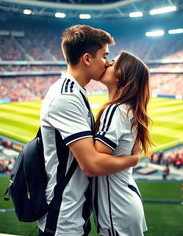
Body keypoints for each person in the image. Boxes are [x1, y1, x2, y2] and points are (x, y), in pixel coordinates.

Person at [38, 25, 141, 236]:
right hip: (63, 219)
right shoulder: (66, 97)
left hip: (76, 215)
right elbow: (92, 165)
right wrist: (133, 159)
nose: (107, 62)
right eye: (104, 56)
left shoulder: (77, 92)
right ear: (87, 59)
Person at [92, 51, 152, 236]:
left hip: (117, 209)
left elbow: (96, 161)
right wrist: (133, 159)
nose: (107, 64)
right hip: (125, 203)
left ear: (119, 76)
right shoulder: (128, 110)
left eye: (113, 63)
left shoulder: (115, 110)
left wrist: (134, 160)